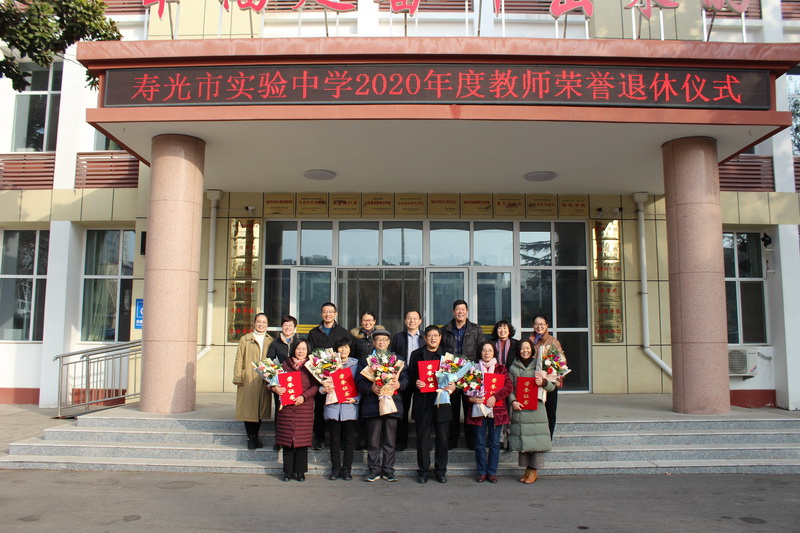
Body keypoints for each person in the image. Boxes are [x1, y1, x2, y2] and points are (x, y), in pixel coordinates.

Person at [355, 329, 407, 482]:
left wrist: (399, 384)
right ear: (373, 342)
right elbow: (359, 382)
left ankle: (388, 470)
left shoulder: (397, 360)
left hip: (392, 404)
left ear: (389, 342)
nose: (381, 342)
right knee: (373, 440)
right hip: (373, 405)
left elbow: (406, 378)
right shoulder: (366, 361)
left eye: (384, 340)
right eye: (378, 340)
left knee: (390, 440)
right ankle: (374, 470)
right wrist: (370, 387)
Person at [507, 338, 556, 484]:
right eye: (522, 348)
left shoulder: (540, 365)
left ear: (532, 349)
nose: (525, 351)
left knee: (536, 440)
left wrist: (544, 382)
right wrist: (513, 401)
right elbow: (509, 388)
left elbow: (552, 387)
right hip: (521, 408)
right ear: (518, 350)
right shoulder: (513, 368)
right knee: (524, 441)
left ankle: (534, 470)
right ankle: (527, 469)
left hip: (536, 409)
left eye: (528, 348)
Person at [408, 325, 452, 484]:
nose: (433, 338)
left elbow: (454, 378)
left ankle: (441, 470)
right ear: (425, 338)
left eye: (436, 336)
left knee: (442, 438)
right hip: (423, 401)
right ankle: (423, 471)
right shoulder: (416, 354)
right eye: (430, 336)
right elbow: (410, 375)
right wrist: (416, 382)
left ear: (440, 338)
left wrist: (452, 385)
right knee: (423, 438)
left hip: (442, 401)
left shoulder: (447, 356)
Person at [270, 339, 318, 482]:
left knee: (302, 441)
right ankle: (288, 471)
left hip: (304, 408)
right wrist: (275, 388)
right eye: (298, 348)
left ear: (308, 351)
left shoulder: (312, 366)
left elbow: (316, 386)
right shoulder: (284, 365)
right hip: (287, 409)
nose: (301, 351)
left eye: (304, 349)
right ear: (293, 350)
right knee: (287, 441)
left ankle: (300, 471)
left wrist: (304, 396)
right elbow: (271, 382)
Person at [306, 302, 352, 450]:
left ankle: (341, 440)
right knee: (319, 409)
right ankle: (319, 439)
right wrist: (320, 376)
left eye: (331, 312)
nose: (328, 314)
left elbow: (347, 353)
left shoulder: (343, 332)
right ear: (321, 314)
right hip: (320, 379)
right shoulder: (314, 333)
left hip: (339, 378)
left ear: (335, 314)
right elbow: (310, 355)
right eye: (325, 312)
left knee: (340, 407)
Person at [441, 299, 486, 450]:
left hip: (469, 375)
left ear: (467, 311)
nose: (460, 312)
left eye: (463, 309)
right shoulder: (445, 330)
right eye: (457, 309)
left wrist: (478, 373)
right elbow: (442, 352)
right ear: (453, 312)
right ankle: (452, 441)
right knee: (452, 408)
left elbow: (481, 350)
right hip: (451, 375)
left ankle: (471, 441)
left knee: (469, 408)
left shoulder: (476, 330)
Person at [466, 341, 513, 483]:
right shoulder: (473, 369)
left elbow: (508, 387)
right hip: (479, 411)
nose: (487, 353)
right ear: (480, 352)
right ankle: (481, 472)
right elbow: (465, 389)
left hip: (496, 412)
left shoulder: (501, 369)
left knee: (494, 443)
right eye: (484, 350)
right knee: (480, 443)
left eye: (490, 350)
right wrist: (471, 398)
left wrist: (495, 397)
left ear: (494, 353)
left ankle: (492, 472)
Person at [232, 313, 273, 450]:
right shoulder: (245, 339)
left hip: (263, 378)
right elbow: (239, 359)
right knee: (249, 409)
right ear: (254, 323)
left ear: (267, 324)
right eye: (259, 322)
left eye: (264, 322)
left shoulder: (270, 340)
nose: (261, 324)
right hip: (248, 378)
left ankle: (256, 436)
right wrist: (238, 377)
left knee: (259, 409)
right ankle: (250, 437)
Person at [322, 337, 359, 481]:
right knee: (334, 440)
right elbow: (320, 383)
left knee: (349, 441)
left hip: (350, 407)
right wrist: (323, 389)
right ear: (336, 349)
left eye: (346, 347)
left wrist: (356, 399)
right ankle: (335, 469)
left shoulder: (356, 364)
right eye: (341, 347)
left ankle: (347, 470)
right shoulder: (328, 364)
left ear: (350, 349)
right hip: (333, 406)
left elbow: (361, 384)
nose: (344, 350)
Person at [266, 314, 301, 450]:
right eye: (285, 325)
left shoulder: (299, 342)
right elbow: (269, 361)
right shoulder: (275, 343)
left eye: (290, 325)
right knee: (280, 410)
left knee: (295, 410)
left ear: (294, 327)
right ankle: (279, 440)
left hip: (296, 380)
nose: (288, 328)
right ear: (282, 327)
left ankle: (295, 438)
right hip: (280, 381)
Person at [391, 309, 425, 451]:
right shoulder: (398, 337)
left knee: (421, 411)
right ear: (405, 321)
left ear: (420, 321)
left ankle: (422, 442)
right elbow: (393, 357)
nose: (412, 321)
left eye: (415, 318)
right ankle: (401, 441)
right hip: (403, 377)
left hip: (420, 377)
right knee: (402, 410)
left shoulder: (424, 337)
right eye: (409, 318)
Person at [528, 314, 566, 440]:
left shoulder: (553, 341)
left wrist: (555, 376)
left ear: (546, 325)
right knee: (535, 412)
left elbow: (561, 361)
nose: (539, 327)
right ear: (533, 325)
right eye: (536, 324)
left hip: (549, 382)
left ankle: (548, 438)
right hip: (534, 381)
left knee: (550, 411)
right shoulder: (530, 340)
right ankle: (535, 438)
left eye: (542, 324)